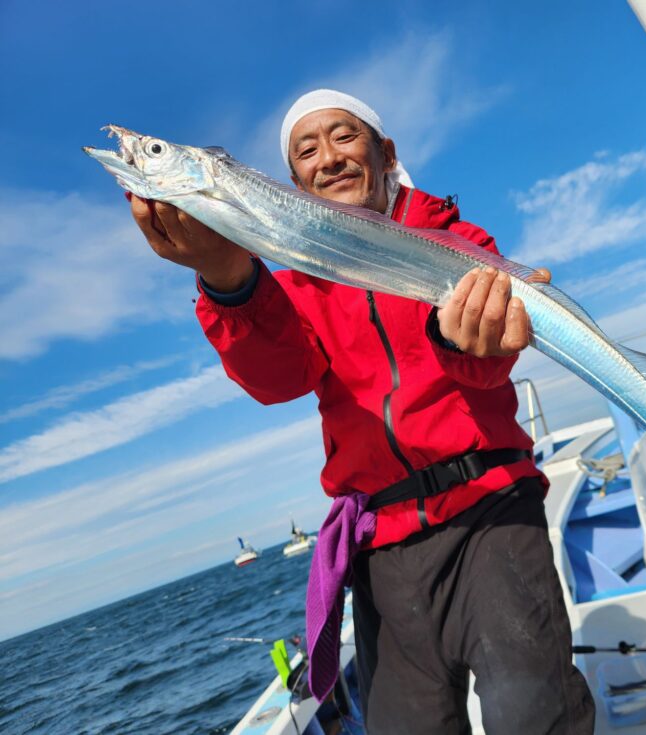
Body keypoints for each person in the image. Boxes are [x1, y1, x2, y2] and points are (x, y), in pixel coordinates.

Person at [128, 89, 595, 734]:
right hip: (384, 542)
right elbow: (279, 377)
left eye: (344, 136)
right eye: (307, 150)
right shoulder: (290, 283)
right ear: (293, 183)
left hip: (491, 510)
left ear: (386, 153)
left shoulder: (456, 242)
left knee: (534, 714)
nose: (329, 158)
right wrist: (226, 279)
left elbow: (488, 364)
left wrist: (457, 337)